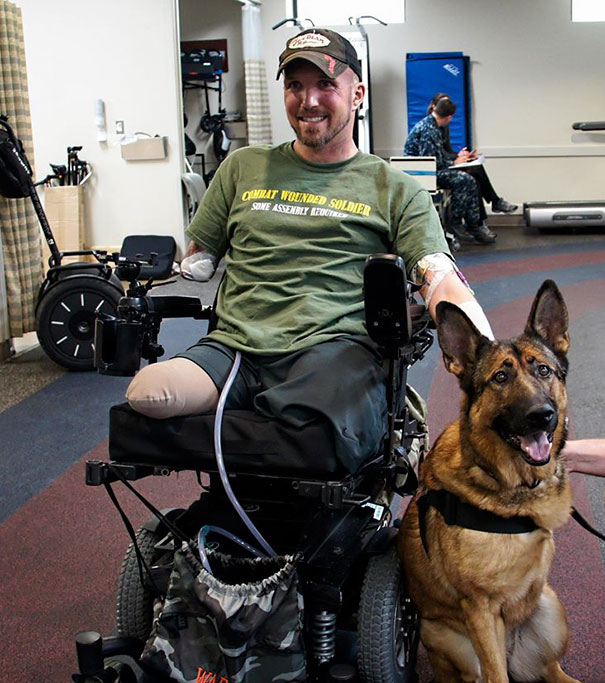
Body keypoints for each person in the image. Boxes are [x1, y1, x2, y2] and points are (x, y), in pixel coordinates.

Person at [126, 28, 494, 474]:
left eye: (325, 85)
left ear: (356, 93)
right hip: (234, 348)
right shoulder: (243, 167)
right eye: (295, 86)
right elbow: (201, 252)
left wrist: (487, 353)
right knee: (147, 396)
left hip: (329, 349)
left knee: (310, 424)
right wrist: (190, 262)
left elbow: (439, 277)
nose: (309, 100)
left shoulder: (394, 189)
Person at [426, 92, 517, 229]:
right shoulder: (429, 129)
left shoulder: (441, 127)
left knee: (475, 168)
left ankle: (486, 213)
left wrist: (461, 156)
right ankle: (467, 222)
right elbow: (431, 159)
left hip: (441, 165)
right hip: (429, 171)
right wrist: (455, 162)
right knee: (468, 177)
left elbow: (446, 151)